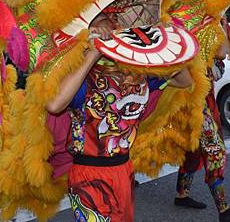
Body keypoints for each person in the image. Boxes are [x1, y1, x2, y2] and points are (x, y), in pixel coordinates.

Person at [46, 12, 193, 222]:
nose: (112, 24)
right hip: (89, 175)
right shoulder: (84, 79)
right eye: (103, 19)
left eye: (117, 20)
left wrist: (161, 41)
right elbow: (54, 104)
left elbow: (184, 80)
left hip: (124, 171)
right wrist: (93, 53)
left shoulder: (139, 74)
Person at [174, 26, 230, 222]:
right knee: (214, 150)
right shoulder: (183, 25)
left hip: (200, 100)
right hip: (191, 103)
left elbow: (220, 56)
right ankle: (223, 210)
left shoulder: (206, 22)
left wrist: (219, 22)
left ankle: (182, 194)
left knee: (193, 149)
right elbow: (221, 54)